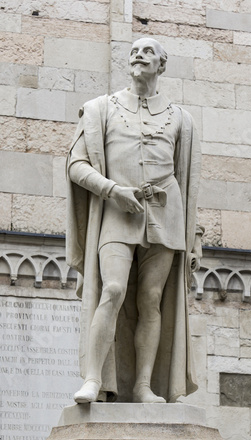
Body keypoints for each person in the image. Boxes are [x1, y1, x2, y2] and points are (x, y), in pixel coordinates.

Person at [66, 37, 202, 404]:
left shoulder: (181, 120)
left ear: (162, 65)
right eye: (133, 51)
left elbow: (188, 186)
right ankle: (93, 379)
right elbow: (75, 165)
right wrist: (113, 191)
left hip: (166, 215)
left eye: (148, 52)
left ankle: (144, 385)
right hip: (117, 211)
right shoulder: (100, 109)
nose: (138, 55)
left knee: (152, 299)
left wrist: (195, 240)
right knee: (111, 290)